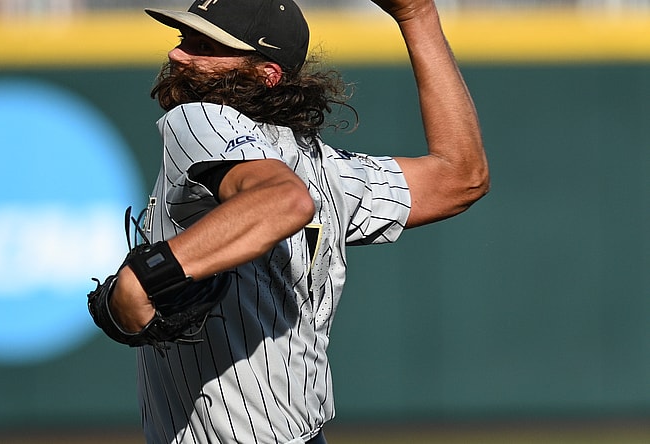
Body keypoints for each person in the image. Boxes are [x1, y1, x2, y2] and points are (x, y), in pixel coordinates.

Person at [108, 0, 489, 443]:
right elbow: (460, 177)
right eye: (184, 39)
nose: (178, 55)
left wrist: (146, 276)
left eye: (204, 46)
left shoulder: (200, 117)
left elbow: (283, 202)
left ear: (265, 74)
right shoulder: (321, 167)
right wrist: (417, 16)